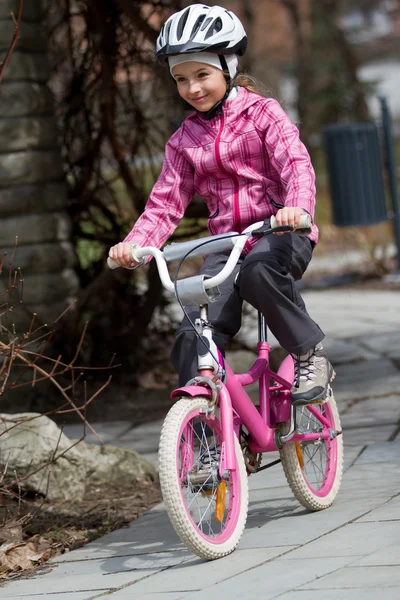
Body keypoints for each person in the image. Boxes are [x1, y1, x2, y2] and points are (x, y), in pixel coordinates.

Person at [108, 4, 333, 405]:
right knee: (192, 330)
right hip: (225, 247)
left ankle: (308, 352)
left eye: (202, 75)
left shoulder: (263, 114)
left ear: (226, 67)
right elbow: (164, 202)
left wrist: (297, 209)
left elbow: (295, 163)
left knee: (259, 273)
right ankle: (204, 437)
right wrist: (136, 244)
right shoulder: (183, 140)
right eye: (181, 79)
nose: (193, 88)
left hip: (279, 233)